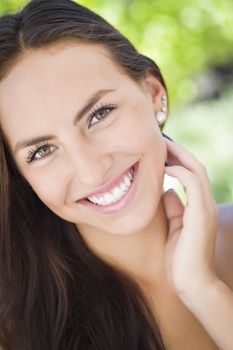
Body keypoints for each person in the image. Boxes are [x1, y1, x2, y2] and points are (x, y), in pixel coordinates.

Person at [0, 0, 232, 349]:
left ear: (153, 93)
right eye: (42, 151)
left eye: (99, 114)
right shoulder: (15, 329)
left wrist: (203, 290)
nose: (91, 170)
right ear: (21, 176)